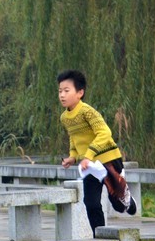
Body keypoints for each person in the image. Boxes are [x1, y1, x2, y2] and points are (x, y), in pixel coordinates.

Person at [57, 69, 137, 232]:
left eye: (66, 91)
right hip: (90, 166)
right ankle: (100, 237)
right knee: (91, 203)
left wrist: (88, 155)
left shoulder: (87, 112)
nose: (62, 95)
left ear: (80, 93)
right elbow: (74, 137)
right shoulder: (65, 117)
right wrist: (73, 156)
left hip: (108, 159)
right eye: (60, 91)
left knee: (118, 203)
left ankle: (127, 200)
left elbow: (105, 133)